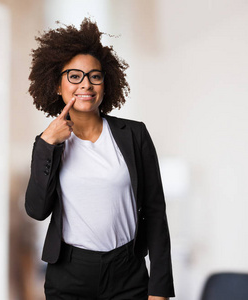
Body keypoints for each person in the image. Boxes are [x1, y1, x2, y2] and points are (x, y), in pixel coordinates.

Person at [25, 18, 175, 300]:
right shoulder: (48, 142)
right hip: (70, 274)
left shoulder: (134, 134)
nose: (86, 84)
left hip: (127, 272)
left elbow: (155, 211)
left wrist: (160, 287)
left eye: (95, 76)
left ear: (106, 84)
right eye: (74, 76)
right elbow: (36, 210)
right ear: (58, 86)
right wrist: (47, 145)